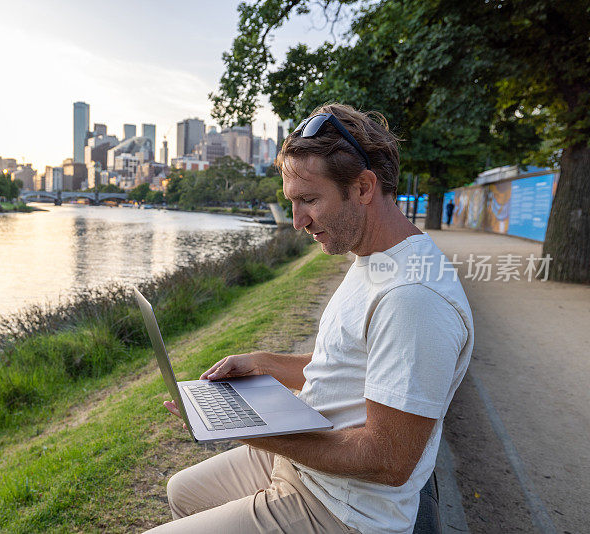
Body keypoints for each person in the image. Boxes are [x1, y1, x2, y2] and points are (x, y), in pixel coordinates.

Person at [149, 103, 474, 534]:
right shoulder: (376, 257)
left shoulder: (412, 299)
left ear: (362, 187)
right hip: (306, 463)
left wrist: (243, 429)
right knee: (181, 490)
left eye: (309, 200)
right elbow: (355, 369)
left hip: (344, 507)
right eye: (292, 201)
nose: (298, 221)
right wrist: (265, 363)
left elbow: (388, 460)